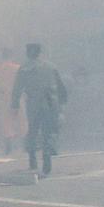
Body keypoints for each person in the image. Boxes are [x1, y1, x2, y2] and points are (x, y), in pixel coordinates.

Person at [10, 43, 68, 175]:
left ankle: (32, 158)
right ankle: (47, 156)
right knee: (48, 131)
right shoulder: (51, 67)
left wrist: (14, 104)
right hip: (51, 104)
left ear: (27, 53)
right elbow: (61, 87)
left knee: (32, 130)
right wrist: (62, 103)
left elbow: (17, 88)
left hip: (33, 104)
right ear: (40, 52)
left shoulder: (24, 69)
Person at [0, 47, 27, 155]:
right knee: (21, 119)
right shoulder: (18, 68)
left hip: (3, 96)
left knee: (6, 119)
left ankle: (8, 141)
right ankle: (24, 143)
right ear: (12, 56)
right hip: (17, 96)